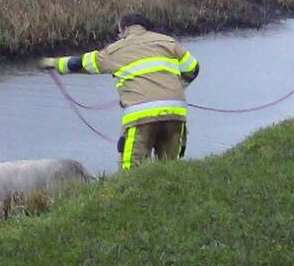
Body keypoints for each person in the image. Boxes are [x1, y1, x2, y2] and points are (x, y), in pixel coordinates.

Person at [39, 14, 199, 169]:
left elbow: (79, 63)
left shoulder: (115, 50)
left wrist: (52, 63)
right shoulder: (169, 42)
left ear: (123, 29)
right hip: (176, 113)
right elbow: (193, 68)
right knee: (170, 168)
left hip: (140, 116)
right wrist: (173, 88)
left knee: (131, 171)